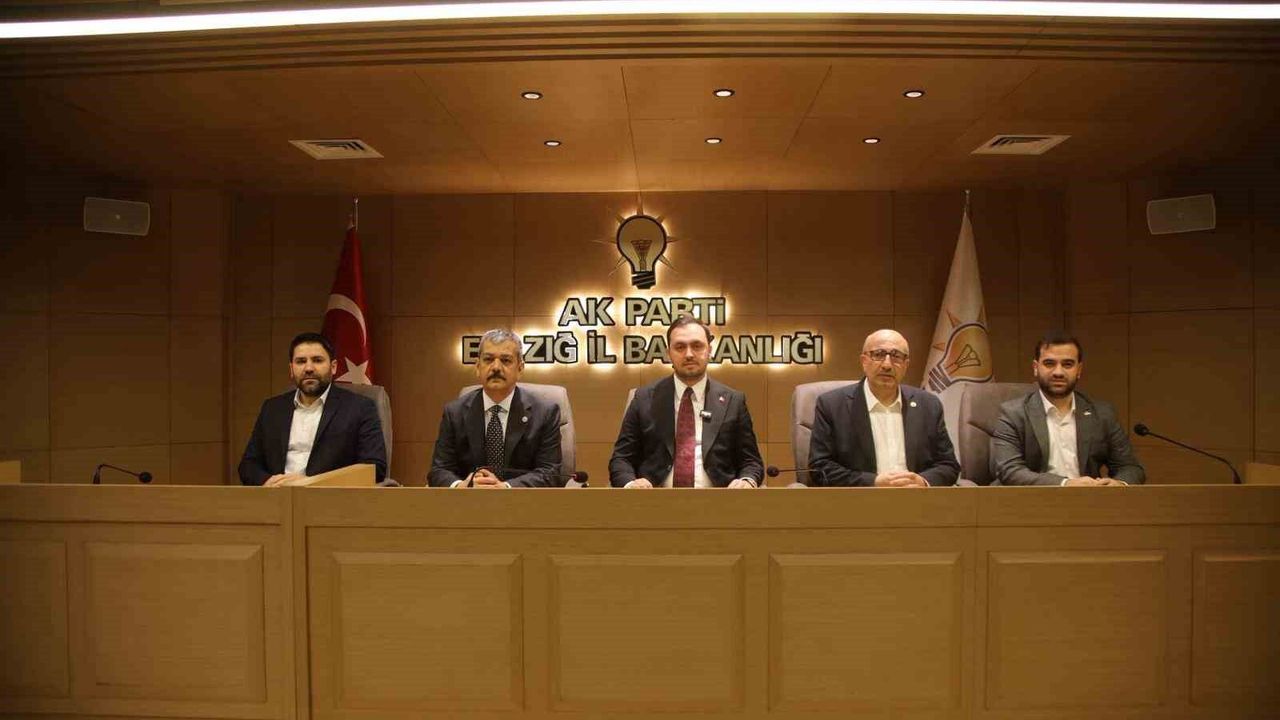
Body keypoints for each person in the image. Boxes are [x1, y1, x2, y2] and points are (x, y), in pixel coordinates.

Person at [609, 315, 764, 488]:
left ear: (709, 350)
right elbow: (621, 459)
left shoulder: (733, 401)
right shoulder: (643, 399)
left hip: (719, 499)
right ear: (669, 353)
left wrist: (746, 481)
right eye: (680, 347)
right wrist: (631, 484)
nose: (689, 354)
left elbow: (751, 462)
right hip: (655, 499)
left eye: (697, 346)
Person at [808, 328, 959, 487]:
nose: (887, 365)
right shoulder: (832, 405)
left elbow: (948, 465)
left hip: (917, 498)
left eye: (896, 356)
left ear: (906, 365)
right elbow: (819, 468)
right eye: (878, 354)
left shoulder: (928, 405)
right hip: (859, 499)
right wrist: (873, 482)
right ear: (864, 361)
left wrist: (922, 482)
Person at [990, 332, 1144, 486]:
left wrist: (1118, 484)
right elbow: (1009, 471)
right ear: (1036, 368)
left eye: (1067, 364)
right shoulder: (1013, 414)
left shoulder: (1102, 414)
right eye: (1049, 363)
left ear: (1079, 370)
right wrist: (1065, 484)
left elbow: (1130, 467)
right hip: (1031, 498)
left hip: (1088, 498)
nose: (1058, 372)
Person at [239, 332, 386, 486]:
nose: (308, 368)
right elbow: (248, 465)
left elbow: (375, 468)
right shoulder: (272, 409)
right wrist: (268, 481)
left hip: (329, 497)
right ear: (291, 369)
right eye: (301, 361)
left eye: (317, 360)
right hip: (277, 494)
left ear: (333, 367)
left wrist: (312, 482)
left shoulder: (359, 408)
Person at [428, 329, 562, 488]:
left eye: (506, 360)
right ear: (478, 367)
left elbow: (550, 472)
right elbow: (439, 470)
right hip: (470, 500)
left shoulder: (545, 413)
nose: (496, 367)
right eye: (488, 359)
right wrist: (461, 486)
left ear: (520, 368)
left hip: (522, 501)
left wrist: (505, 487)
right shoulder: (454, 412)